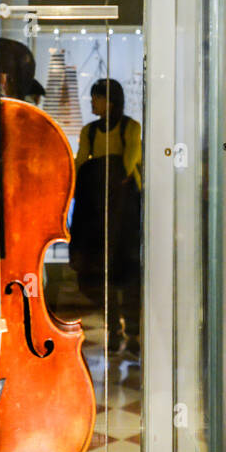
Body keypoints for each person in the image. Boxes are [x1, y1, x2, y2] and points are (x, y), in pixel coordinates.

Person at [70, 78, 143, 354]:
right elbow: (80, 163)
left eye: (96, 98)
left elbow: (129, 163)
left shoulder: (130, 128)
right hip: (98, 210)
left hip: (124, 212)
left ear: (110, 101)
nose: (92, 103)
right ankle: (114, 329)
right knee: (106, 275)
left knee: (128, 273)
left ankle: (133, 331)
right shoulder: (89, 131)